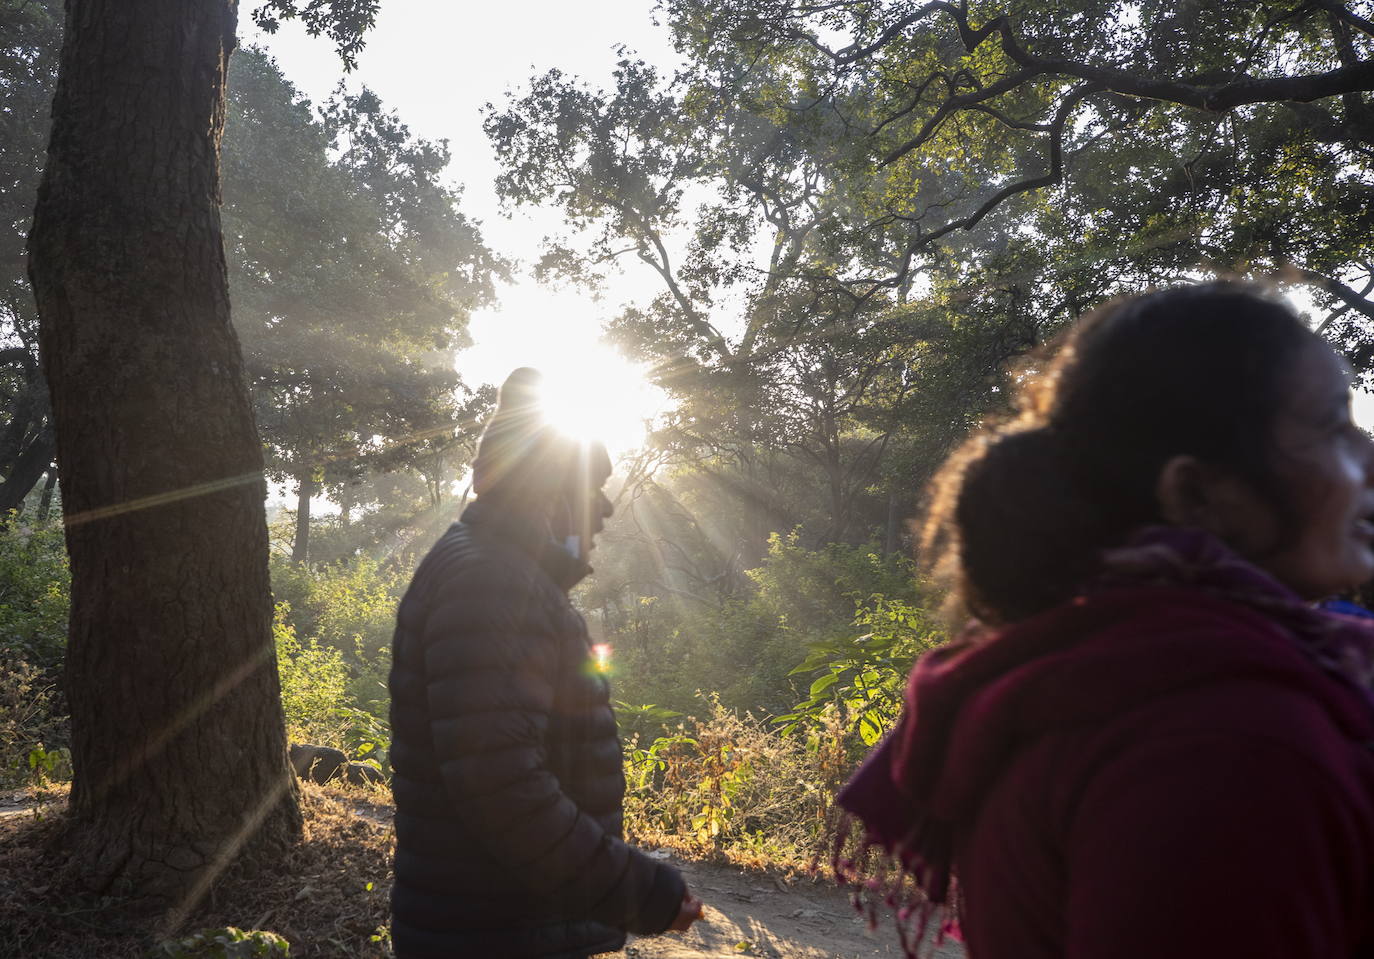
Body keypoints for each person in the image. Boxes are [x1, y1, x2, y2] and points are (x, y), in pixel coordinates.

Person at [837, 282, 1374, 958]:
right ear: (1197, 493)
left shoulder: (1069, 669)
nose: (1371, 459)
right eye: (1333, 425)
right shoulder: (1223, 735)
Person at [388, 368, 703, 958]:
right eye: (591, 490)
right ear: (548, 494)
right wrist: (642, 892)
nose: (605, 510)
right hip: (499, 931)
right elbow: (504, 789)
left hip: (491, 921)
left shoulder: (492, 569)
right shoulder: (495, 584)